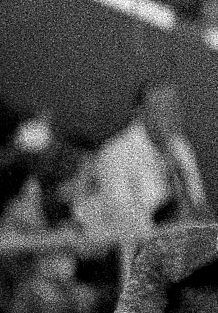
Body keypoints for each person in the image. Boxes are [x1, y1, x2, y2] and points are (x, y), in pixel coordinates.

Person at [84, 78, 207, 237]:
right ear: (140, 112)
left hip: (186, 241)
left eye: (174, 107)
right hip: (133, 249)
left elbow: (199, 203)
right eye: (161, 108)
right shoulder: (115, 153)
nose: (171, 115)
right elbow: (125, 221)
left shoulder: (180, 146)